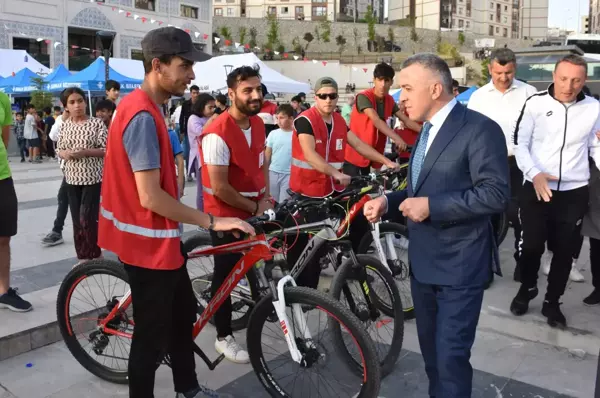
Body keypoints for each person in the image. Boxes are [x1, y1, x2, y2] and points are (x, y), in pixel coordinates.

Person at [98, 27, 250, 398]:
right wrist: (213, 220)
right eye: (184, 65)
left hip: (160, 243)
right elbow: (150, 197)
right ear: (157, 65)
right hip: (146, 246)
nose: (192, 74)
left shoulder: (145, 106)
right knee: (149, 340)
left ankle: (188, 388)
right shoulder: (142, 116)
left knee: (182, 316)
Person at [363, 53, 509, 397]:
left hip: (461, 267)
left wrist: (433, 207)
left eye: (408, 89)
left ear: (435, 88)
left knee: (451, 359)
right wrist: (389, 201)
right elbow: (421, 189)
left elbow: (495, 195)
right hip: (423, 267)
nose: (402, 98)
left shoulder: (480, 129)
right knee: (432, 358)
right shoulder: (425, 132)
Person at [510, 54, 600, 329]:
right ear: (554, 76)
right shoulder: (535, 103)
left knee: (564, 252)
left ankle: (552, 302)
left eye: (576, 80)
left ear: (584, 81)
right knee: (532, 246)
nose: (569, 86)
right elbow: (520, 145)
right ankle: (527, 288)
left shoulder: (594, 108)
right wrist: (534, 174)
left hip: (574, 191)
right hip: (536, 187)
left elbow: (595, 147)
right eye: (563, 78)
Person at [289, 77, 398, 288]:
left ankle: (352, 267)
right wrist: (335, 173)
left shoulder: (339, 121)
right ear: (315, 96)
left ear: (337, 97)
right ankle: (303, 290)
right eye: (323, 96)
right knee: (311, 243)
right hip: (308, 190)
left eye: (332, 96)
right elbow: (310, 155)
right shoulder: (305, 120)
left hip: (333, 189)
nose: (328, 100)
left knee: (358, 222)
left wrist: (385, 161)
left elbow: (358, 144)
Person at [200, 65, 271, 364]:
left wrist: (265, 196)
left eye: (258, 89)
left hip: (253, 209)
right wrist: (254, 207)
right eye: (247, 91)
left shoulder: (257, 124)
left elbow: (261, 161)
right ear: (231, 94)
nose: (255, 95)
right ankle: (223, 336)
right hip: (226, 215)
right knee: (225, 275)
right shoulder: (216, 133)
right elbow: (219, 188)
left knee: (253, 264)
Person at [467, 48, 538, 282]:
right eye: (498, 72)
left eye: (508, 72)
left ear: (514, 68)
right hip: (487, 164)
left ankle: (522, 265)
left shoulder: (529, 93)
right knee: (485, 218)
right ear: (490, 69)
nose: (503, 78)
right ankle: (484, 267)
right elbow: (470, 132)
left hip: (520, 164)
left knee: (520, 217)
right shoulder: (478, 97)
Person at [56, 87, 107, 266]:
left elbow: (107, 150)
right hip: (71, 178)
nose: (77, 105)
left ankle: (95, 253)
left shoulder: (96, 123)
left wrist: (86, 152)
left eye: (80, 101)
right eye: (72, 102)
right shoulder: (65, 125)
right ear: (66, 107)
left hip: (92, 178)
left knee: (88, 217)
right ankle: (83, 256)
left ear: (85, 102)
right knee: (76, 219)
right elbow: (59, 149)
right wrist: (65, 154)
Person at [344, 62, 415, 176]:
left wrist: (426, 131)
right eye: (379, 80)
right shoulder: (364, 96)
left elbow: (406, 120)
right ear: (374, 80)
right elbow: (376, 120)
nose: (383, 84)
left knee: (371, 190)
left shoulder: (389, 100)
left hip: (374, 156)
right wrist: (396, 138)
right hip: (356, 154)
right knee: (356, 190)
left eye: (386, 80)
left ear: (391, 82)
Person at [0, 92, 33, 312]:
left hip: (2, 176)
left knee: (4, 236)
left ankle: (3, 291)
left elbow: (4, 137)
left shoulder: (2, 97)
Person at [42, 104, 70, 247]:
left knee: (82, 205)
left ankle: (57, 230)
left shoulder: (88, 122)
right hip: (68, 171)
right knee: (64, 199)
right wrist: (63, 118)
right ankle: (57, 231)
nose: (74, 106)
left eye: (78, 101)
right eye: (70, 104)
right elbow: (53, 136)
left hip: (86, 172)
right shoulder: (61, 120)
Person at [188, 93, 217, 211]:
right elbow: (201, 132)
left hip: (211, 156)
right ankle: (202, 218)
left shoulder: (208, 118)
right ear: (201, 107)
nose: (213, 110)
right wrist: (213, 120)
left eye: (214, 107)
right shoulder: (193, 119)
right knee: (202, 191)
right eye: (210, 107)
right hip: (200, 158)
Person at [266, 104, 294, 202]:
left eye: (282, 118)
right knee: (272, 201)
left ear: (291, 118)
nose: (278, 121)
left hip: (289, 174)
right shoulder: (273, 134)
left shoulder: (297, 135)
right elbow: (267, 154)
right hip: (273, 172)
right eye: (277, 118)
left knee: (284, 203)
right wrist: (264, 172)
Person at [180, 84, 200, 181]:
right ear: (191, 93)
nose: (195, 95)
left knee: (198, 152)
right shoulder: (185, 104)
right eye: (194, 93)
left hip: (198, 131)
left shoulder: (200, 104)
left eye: (197, 93)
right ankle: (188, 173)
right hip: (188, 132)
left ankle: (197, 172)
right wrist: (182, 130)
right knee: (188, 152)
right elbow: (182, 117)